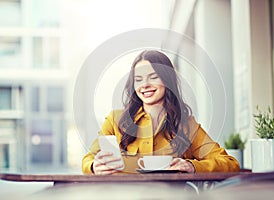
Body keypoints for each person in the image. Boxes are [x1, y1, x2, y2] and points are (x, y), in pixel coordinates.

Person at [82, 50, 240, 175]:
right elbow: (88, 159)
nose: (145, 85)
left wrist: (193, 166)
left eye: (153, 77)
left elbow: (230, 163)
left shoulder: (186, 125)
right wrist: (94, 167)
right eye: (138, 79)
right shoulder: (115, 120)